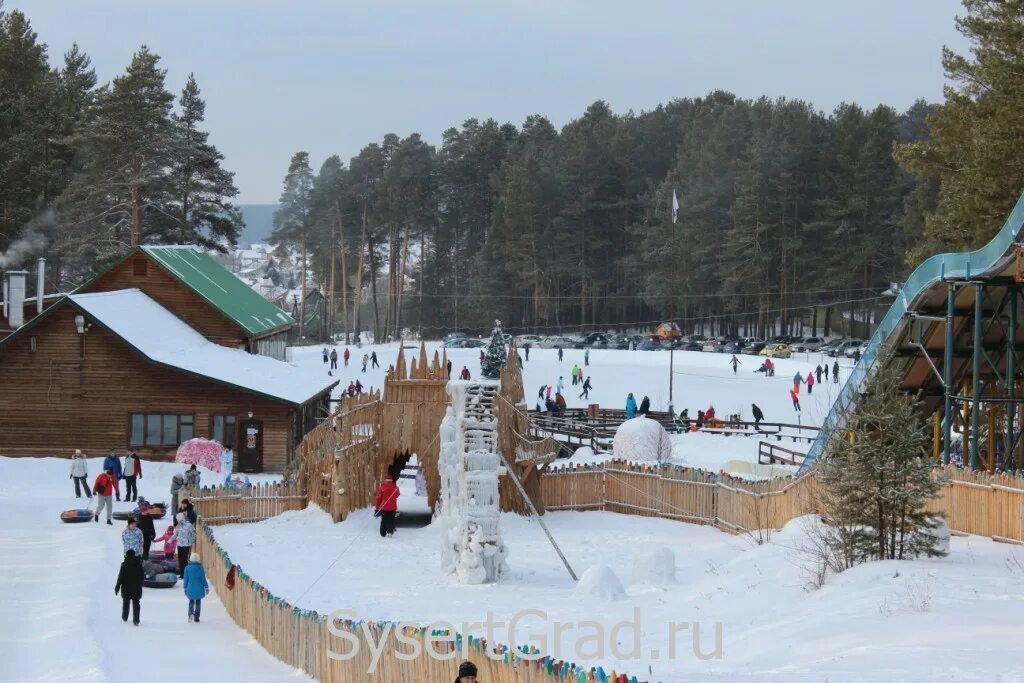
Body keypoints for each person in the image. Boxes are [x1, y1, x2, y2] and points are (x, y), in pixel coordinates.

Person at [114, 549, 144, 626]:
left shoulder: (124, 564)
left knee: (126, 602)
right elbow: (142, 576)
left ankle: (124, 617)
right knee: (136, 603)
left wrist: (117, 587)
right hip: (136, 587)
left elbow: (120, 577)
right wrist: (140, 584)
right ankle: (136, 620)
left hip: (126, 587)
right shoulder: (139, 563)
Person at [183, 552, 210, 623]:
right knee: (198, 602)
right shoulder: (200, 568)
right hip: (199, 588)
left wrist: (185, 587)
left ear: (190, 560)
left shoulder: (187, 568)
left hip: (190, 588)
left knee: (191, 601)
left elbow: (186, 578)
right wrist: (206, 587)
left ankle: (190, 614)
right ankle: (196, 617)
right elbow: (203, 578)